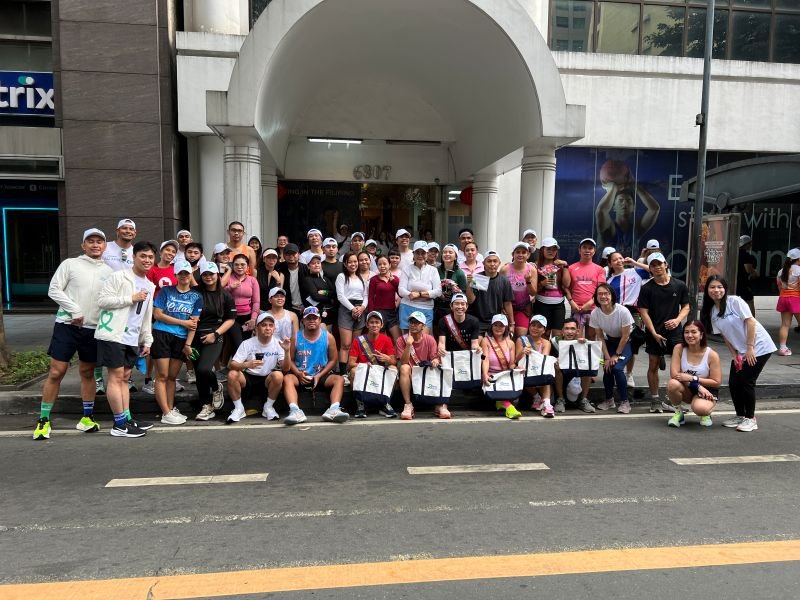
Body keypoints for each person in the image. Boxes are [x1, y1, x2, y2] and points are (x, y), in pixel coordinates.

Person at [34, 228, 113, 440]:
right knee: (56, 372)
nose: (95, 245)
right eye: (91, 241)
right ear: (83, 245)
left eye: (99, 241)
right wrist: (74, 310)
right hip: (67, 325)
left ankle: (87, 417)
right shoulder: (70, 264)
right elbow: (54, 289)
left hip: (93, 329)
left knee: (87, 372)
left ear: (105, 246)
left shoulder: (109, 272)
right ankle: (43, 419)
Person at [94, 241, 157, 437]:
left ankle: (126, 418)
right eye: (143, 256)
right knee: (116, 377)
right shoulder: (119, 276)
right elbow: (102, 301)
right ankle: (119, 424)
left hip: (132, 338)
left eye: (150, 257)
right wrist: (131, 298)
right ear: (134, 257)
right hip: (113, 334)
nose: (147, 260)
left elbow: (145, 316)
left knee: (125, 378)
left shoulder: (150, 285)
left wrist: (147, 340)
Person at [701, 275, 776, 432]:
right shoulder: (712, 311)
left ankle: (751, 419)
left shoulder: (735, 301)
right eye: (712, 287)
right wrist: (734, 355)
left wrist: (750, 348)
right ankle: (740, 415)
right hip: (741, 350)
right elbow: (725, 335)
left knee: (747, 381)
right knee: (734, 382)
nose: (716, 290)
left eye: (720, 287)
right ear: (707, 290)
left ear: (725, 289)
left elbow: (750, 321)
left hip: (759, 346)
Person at [151, 260, 203, 425]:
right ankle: (165, 412)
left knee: (172, 377)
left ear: (191, 274)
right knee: (162, 376)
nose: (184, 276)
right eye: (180, 273)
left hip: (181, 339)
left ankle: (170, 408)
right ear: (175, 275)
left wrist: (188, 344)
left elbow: (193, 323)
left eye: (186, 273)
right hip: (162, 334)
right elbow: (157, 314)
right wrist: (182, 322)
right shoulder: (166, 291)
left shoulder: (197, 296)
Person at [638, 252, 690, 413]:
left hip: (675, 332)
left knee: (679, 366)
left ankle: (672, 399)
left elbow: (686, 307)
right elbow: (643, 312)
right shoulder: (646, 288)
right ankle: (655, 400)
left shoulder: (679, 285)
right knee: (653, 365)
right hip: (654, 332)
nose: (657, 267)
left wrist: (677, 320)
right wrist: (653, 333)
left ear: (666, 265)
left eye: (659, 264)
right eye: (653, 265)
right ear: (650, 269)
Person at [282, 306, 349, 425]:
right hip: (301, 374)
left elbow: (333, 360)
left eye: (315, 318)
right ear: (303, 321)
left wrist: (320, 375)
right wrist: (298, 373)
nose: (311, 321)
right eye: (308, 318)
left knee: (339, 379)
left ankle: (333, 409)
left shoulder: (328, 337)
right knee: (287, 378)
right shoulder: (296, 337)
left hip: (321, 374)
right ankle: (295, 411)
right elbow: (290, 360)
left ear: (320, 320)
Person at [96, 218, 136, 395]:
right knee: (101, 339)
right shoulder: (106, 247)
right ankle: (98, 380)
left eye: (131, 229)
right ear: (117, 231)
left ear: (135, 233)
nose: (127, 231)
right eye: (124, 228)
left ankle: (127, 377)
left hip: (129, 301)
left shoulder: (136, 251)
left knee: (126, 339)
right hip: (106, 299)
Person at [191, 262, 236, 421]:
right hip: (193, 336)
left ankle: (216, 387)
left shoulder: (225, 295)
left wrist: (215, 334)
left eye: (211, 274)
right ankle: (206, 405)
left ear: (217, 275)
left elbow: (230, 320)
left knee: (204, 369)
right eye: (205, 274)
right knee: (198, 373)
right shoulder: (194, 292)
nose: (208, 277)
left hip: (215, 336)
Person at [227, 312, 290, 423]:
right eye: (264, 325)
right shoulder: (247, 343)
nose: (268, 328)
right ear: (256, 328)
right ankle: (238, 408)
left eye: (271, 325)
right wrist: (247, 364)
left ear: (274, 328)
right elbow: (232, 365)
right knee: (232, 374)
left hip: (267, 380)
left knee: (278, 375)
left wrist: (287, 351)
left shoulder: (279, 343)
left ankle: (268, 407)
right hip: (248, 378)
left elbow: (285, 368)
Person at [595, 162, 660, 258]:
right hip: (609, 268)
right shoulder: (609, 227)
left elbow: (654, 209)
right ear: (613, 207)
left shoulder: (636, 230)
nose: (624, 203)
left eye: (629, 201)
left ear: (633, 207)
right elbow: (601, 211)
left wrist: (634, 184)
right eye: (621, 200)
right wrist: (613, 188)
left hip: (630, 268)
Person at [605, 250, 649, 390]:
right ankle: (617, 370)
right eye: (615, 259)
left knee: (633, 344)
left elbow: (654, 271)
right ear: (610, 264)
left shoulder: (635, 272)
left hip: (633, 312)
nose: (619, 261)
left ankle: (629, 373)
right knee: (618, 342)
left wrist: (635, 263)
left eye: (620, 258)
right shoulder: (609, 281)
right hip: (616, 313)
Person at [665, 321, 721, 428]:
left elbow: (716, 382)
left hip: (707, 391)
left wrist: (693, 378)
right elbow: (675, 374)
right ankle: (678, 413)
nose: (690, 335)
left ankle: (706, 414)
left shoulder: (712, 355)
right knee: (672, 384)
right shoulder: (679, 348)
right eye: (686, 332)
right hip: (688, 388)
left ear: (701, 334)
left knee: (701, 409)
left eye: (694, 332)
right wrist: (697, 386)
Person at [589, 283, 634, 414]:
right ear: (596, 297)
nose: (603, 296)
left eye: (606, 293)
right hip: (610, 341)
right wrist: (608, 357)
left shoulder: (622, 311)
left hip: (626, 342)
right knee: (607, 368)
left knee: (618, 368)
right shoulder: (595, 313)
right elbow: (600, 337)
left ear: (612, 296)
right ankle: (609, 400)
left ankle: (625, 401)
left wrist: (616, 355)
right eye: (600, 294)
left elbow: (625, 336)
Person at [396, 311, 448, 420]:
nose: (413, 325)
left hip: (425, 373)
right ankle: (408, 405)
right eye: (411, 322)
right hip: (411, 374)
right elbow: (404, 362)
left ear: (423, 326)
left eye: (417, 323)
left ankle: (440, 404)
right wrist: (408, 345)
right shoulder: (401, 340)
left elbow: (434, 358)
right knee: (404, 368)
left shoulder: (429, 339)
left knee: (441, 367)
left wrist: (435, 360)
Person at [348, 311, 398, 418]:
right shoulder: (358, 340)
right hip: (365, 372)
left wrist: (388, 359)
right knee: (353, 371)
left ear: (381, 325)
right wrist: (363, 365)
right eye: (371, 322)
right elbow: (350, 364)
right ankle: (360, 405)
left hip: (379, 372)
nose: (374, 325)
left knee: (393, 368)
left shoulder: (387, 340)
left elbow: (394, 362)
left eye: (377, 322)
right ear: (367, 325)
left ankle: (386, 403)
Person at [336, 251, 369, 382]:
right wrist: (352, 308)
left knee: (356, 344)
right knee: (346, 344)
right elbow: (340, 296)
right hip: (346, 309)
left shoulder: (361, 278)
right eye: (350, 262)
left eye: (355, 261)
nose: (353, 264)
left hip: (360, 310)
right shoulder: (341, 276)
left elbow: (365, 296)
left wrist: (362, 308)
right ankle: (343, 373)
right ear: (345, 263)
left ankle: (352, 370)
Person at [481, 314, 520, 419]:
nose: (498, 328)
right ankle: (509, 407)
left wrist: (517, 369)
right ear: (491, 326)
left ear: (506, 327)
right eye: (496, 325)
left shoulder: (511, 343)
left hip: (504, 374)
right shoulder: (485, 341)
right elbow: (485, 359)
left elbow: (511, 364)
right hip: (491, 373)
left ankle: (501, 402)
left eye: (501, 326)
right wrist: (485, 374)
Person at [552, 318, 595, 414]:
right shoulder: (555, 342)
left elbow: (589, 360)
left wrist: (584, 346)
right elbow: (547, 359)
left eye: (572, 329)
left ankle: (583, 400)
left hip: (577, 373)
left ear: (577, 331)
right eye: (566, 328)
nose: (569, 332)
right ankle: (560, 399)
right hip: (561, 374)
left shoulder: (582, 342)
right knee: (556, 366)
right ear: (562, 331)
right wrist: (555, 359)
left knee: (587, 367)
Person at [465, 251, 513, 335]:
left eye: (495, 261)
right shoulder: (477, 278)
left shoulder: (504, 281)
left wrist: (512, 323)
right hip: (478, 320)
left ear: (499, 263)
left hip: (496, 322)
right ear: (483, 263)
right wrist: (469, 284)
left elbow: (508, 303)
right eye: (489, 261)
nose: (492, 264)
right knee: (477, 342)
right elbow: (470, 301)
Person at [398, 240, 442, 332]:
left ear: (427, 254)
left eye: (423, 253)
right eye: (417, 252)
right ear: (413, 254)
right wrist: (410, 294)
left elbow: (438, 291)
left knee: (424, 337)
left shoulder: (433, 270)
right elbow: (401, 290)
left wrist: (419, 294)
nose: (420, 255)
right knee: (407, 337)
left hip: (426, 308)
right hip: (407, 306)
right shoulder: (407, 269)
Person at [566, 237, 605, 339]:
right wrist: (571, 302)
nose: (587, 250)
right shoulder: (571, 268)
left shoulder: (599, 269)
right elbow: (566, 288)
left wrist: (590, 303)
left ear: (594, 251)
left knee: (591, 340)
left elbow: (601, 289)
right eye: (584, 247)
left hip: (593, 310)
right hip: (576, 309)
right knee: (575, 339)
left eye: (590, 248)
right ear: (579, 250)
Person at [515, 314, 553, 417]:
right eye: (533, 325)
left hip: (538, 368)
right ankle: (537, 397)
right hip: (525, 368)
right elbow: (516, 360)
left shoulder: (546, 343)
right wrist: (522, 352)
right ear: (529, 326)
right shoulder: (521, 340)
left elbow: (544, 359)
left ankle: (547, 403)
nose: (535, 328)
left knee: (546, 371)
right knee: (519, 370)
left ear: (544, 330)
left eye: (539, 326)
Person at [533, 237, 570, 339]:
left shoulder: (560, 265)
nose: (551, 252)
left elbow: (566, 284)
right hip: (541, 303)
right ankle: (545, 350)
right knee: (543, 333)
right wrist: (542, 284)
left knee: (558, 335)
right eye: (548, 249)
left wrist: (565, 266)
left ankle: (555, 350)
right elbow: (532, 290)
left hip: (558, 303)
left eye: (554, 249)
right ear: (542, 250)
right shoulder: (536, 266)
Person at [501, 241, 537, 338]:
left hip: (523, 308)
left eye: (523, 252)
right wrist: (501, 307)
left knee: (521, 336)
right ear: (513, 254)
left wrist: (528, 281)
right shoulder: (505, 269)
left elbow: (533, 293)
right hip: (507, 308)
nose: (520, 255)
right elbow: (499, 290)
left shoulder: (532, 270)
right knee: (506, 336)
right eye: (518, 252)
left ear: (528, 255)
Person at [224, 253, 260, 349]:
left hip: (247, 317)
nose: (239, 267)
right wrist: (230, 287)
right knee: (238, 344)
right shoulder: (228, 278)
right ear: (232, 266)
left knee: (245, 344)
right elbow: (220, 294)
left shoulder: (252, 280)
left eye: (243, 264)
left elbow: (256, 301)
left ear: (247, 266)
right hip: (232, 317)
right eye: (236, 264)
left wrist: (253, 319)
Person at [367, 255, 401, 341]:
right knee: (380, 340)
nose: (382, 266)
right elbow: (370, 297)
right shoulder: (374, 279)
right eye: (379, 264)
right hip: (379, 313)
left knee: (398, 339)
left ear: (389, 265)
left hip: (392, 312)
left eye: (384, 264)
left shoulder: (395, 279)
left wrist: (393, 281)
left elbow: (401, 294)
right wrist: (371, 315)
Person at [435, 244, 468, 329]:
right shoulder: (435, 270)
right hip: (437, 306)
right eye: (445, 252)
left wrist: (455, 289)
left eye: (450, 252)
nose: (447, 254)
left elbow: (464, 292)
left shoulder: (459, 273)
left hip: (452, 307)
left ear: (455, 256)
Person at [775, 248, 800, 356]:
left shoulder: (781, 271)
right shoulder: (798, 270)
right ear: (798, 259)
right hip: (796, 299)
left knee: (785, 325)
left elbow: (779, 287)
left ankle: (782, 348)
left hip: (784, 298)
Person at [301, 254, 337, 328]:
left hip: (329, 312)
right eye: (313, 263)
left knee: (329, 333)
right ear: (308, 266)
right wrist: (330, 298)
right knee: (323, 333)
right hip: (316, 314)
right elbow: (315, 296)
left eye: (318, 263)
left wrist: (325, 292)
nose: (316, 265)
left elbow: (334, 293)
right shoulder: (307, 279)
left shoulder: (325, 279)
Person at [278, 243, 306, 317]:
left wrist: (307, 305)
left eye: (293, 253)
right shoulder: (279, 268)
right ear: (284, 256)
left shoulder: (306, 269)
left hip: (305, 308)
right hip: (287, 308)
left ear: (299, 255)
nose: (291, 256)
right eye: (288, 254)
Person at [736, 235, 758, 315]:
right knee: (749, 301)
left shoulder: (734, 254)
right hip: (743, 282)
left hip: (733, 281)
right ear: (747, 244)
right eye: (750, 243)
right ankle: (752, 319)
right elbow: (748, 269)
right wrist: (754, 272)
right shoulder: (746, 256)